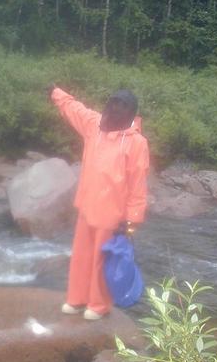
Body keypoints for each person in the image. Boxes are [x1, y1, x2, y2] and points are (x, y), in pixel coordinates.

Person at [48, 85, 149, 320]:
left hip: (112, 213)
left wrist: (132, 220)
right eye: (114, 103)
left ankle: (98, 305)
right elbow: (75, 110)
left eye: (123, 106)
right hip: (87, 205)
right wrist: (56, 93)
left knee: (102, 260)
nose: (117, 109)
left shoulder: (137, 143)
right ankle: (76, 299)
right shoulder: (94, 125)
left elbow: (138, 184)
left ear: (132, 112)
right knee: (81, 256)